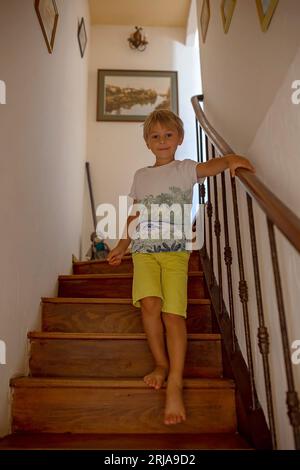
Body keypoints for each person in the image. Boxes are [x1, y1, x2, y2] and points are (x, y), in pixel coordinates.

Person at [107, 109, 255, 426]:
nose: (162, 140)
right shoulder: (141, 176)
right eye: (155, 136)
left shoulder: (185, 169)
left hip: (175, 253)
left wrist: (230, 160)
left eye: (168, 135)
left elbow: (209, 167)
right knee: (149, 305)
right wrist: (122, 245)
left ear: (180, 138)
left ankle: (174, 380)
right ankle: (160, 364)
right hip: (144, 251)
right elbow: (135, 215)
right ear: (147, 142)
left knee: (173, 313)